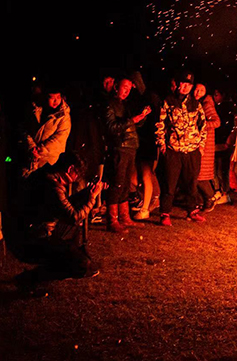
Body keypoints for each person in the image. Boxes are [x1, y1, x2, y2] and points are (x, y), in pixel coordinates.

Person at [13, 153, 104, 294]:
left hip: (32, 231)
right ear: (70, 169)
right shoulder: (52, 186)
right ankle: (29, 279)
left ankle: (73, 256)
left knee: (73, 231)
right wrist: (92, 198)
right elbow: (74, 216)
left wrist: (86, 193)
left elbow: (65, 206)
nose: (76, 179)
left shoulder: (45, 176)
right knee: (81, 265)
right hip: (33, 239)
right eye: (77, 174)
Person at [155, 71, 207, 226]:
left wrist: (201, 145)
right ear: (178, 84)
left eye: (188, 85)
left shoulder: (196, 105)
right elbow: (160, 123)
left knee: (191, 182)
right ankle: (165, 213)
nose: (184, 87)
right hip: (174, 150)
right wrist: (162, 144)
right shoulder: (169, 101)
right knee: (170, 183)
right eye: (182, 84)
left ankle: (192, 211)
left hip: (192, 151)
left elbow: (203, 125)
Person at [103, 77, 151, 233]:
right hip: (119, 148)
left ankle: (124, 217)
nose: (127, 91)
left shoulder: (125, 105)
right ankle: (112, 220)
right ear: (116, 87)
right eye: (124, 87)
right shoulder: (109, 104)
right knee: (116, 183)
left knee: (125, 183)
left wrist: (141, 117)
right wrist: (132, 120)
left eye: (129, 89)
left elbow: (131, 123)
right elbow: (112, 127)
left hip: (130, 147)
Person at [130, 71, 162, 220]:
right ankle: (151, 198)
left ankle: (145, 208)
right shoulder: (135, 98)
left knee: (146, 173)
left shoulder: (150, 97)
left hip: (148, 140)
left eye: (133, 83)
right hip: (137, 141)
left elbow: (154, 120)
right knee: (133, 177)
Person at [22, 86, 71, 177]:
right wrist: (32, 147)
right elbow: (26, 130)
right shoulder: (35, 110)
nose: (55, 101)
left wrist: (41, 150)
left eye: (58, 97)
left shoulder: (64, 117)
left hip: (49, 163)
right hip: (30, 159)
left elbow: (59, 139)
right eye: (52, 98)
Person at [194, 83, 221, 212]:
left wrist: (201, 124)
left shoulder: (207, 104)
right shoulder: (197, 103)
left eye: (202, 90)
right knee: (196, 174)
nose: (198, 92)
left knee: (200, 175)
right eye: (197, 89)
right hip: (199, 144)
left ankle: (210, 197)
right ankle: (201, 201)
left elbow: (217, 122)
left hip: (206, 146)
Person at [213, 87, 234, 201]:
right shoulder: (216, 108)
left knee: (223, 169)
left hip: (224, 142)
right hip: (216, 142)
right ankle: (218, 190)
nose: (214, 97)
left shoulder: (226, 109)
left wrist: (227, 140)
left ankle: (226, 192)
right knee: (215, 169)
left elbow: (228, 126)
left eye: (217, 95)